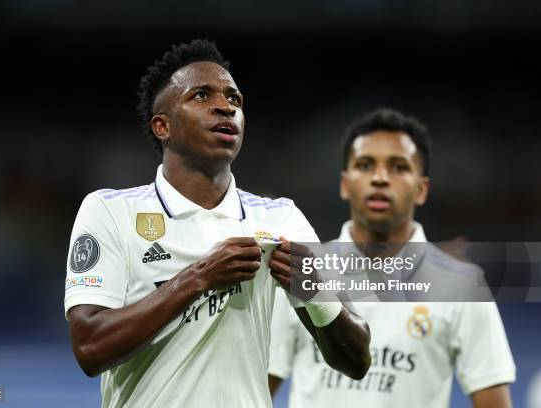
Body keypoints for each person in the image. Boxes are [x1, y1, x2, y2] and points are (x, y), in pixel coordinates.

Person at [63, 39, 370, 408]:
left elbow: (356, 360)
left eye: (235, 100)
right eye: (201, 96)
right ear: (163, 126)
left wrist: (317, 292)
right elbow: (90, 347)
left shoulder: (279, 217)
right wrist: (198, 278)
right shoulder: (110, 211)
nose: (225, 107)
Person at [269, 108, 516, 407]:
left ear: (421, 189)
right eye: (365, 164)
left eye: (398, 167)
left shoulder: (463, 284)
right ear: (345, 184)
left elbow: (493, 399)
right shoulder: (301, 270)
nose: (380, 178)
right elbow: (258, 389)